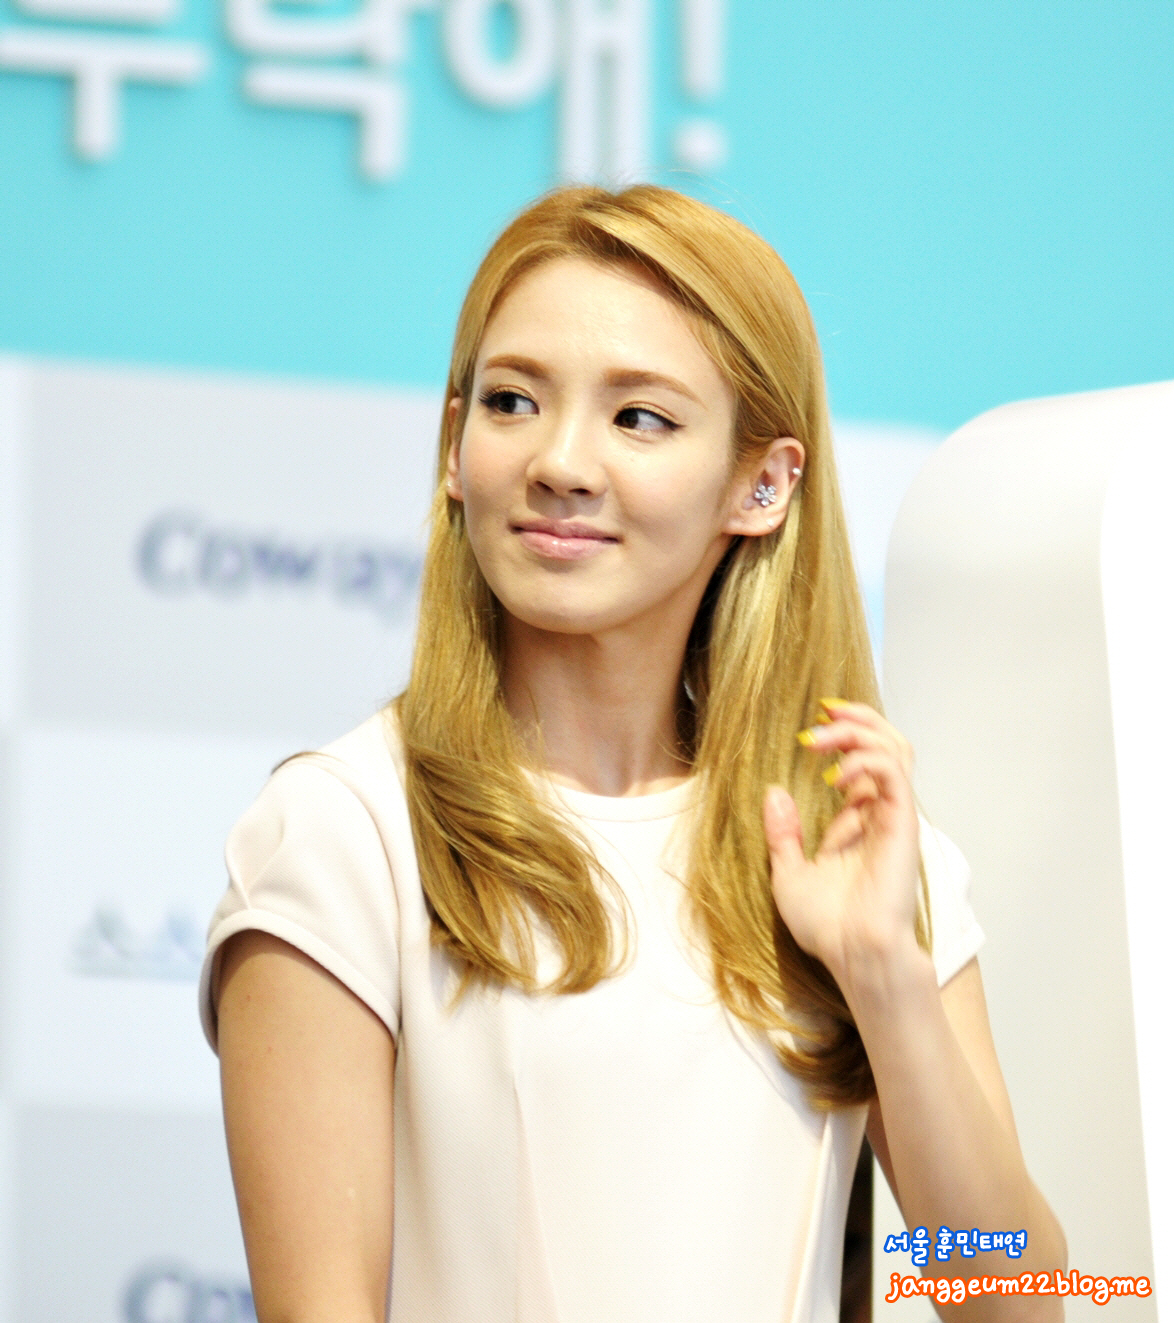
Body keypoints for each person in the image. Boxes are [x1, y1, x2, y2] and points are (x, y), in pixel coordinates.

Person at [200, 185, 1065, 1323]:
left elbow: (1013, 1302)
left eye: (639, 418)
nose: (560, 461)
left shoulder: (848, 853)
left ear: (763, 484)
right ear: (455, 449)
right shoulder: (348, 830)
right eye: (511, 402)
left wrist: (884, 980)